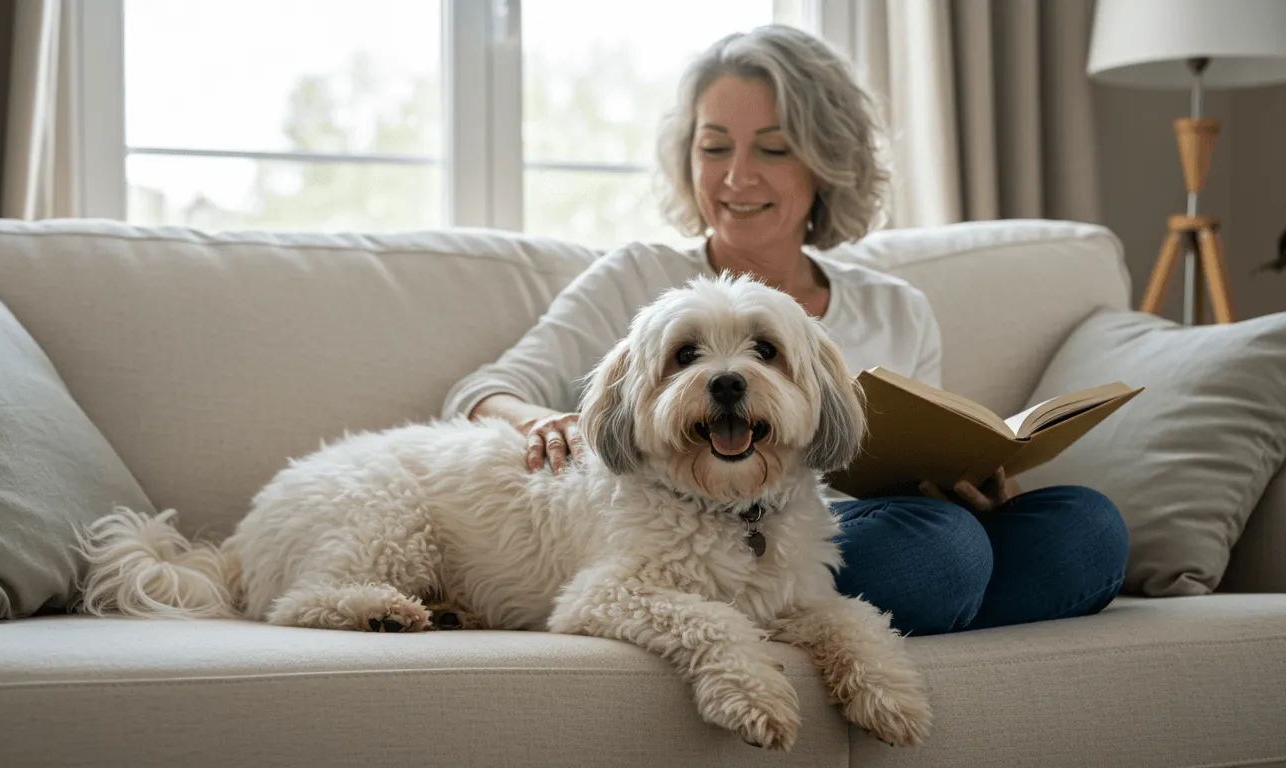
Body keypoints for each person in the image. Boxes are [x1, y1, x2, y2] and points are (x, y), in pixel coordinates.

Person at [441, 25, 1127, 637]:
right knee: (942, 551)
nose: (737, 176)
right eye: (714, 148)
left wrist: (965, 485)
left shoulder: (896, 307)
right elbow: (485, 389)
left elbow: (913, 477)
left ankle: (935, 604)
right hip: (716, 542)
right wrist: (537, 422)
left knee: (1085, 527)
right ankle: (918, 606)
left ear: (827, 163)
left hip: (856, 527)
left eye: (771, 149)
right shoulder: (638, 279)